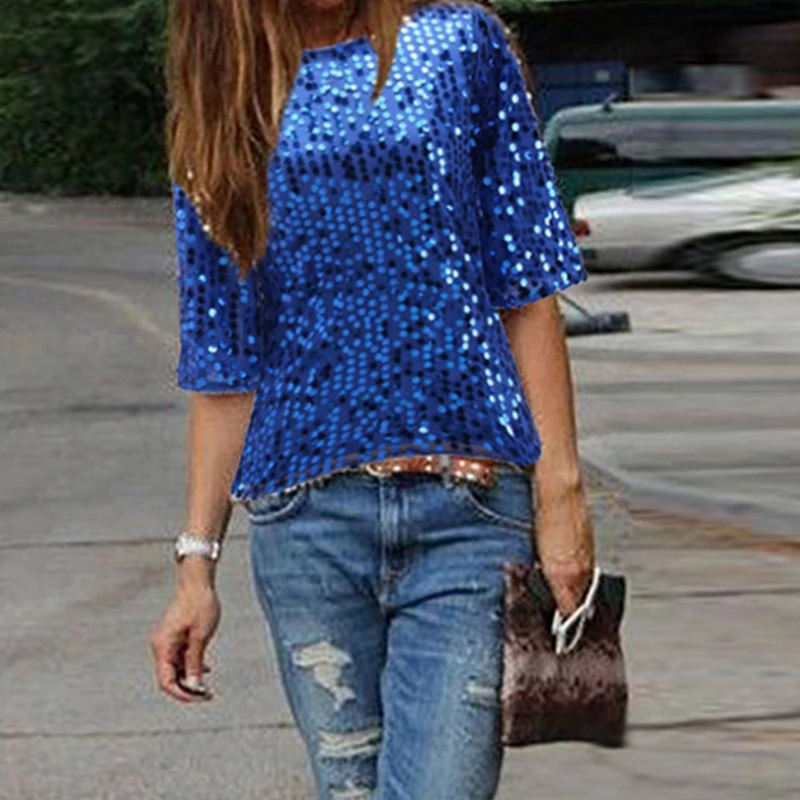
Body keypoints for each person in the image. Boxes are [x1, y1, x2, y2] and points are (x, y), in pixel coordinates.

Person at [150, 0, 595, 798]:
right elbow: (225, 364)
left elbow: (526, 285)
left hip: (470, 512)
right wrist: (196, 566)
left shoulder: (460, 44)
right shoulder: (225, 95)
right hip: (306, 527)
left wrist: (561, 493)